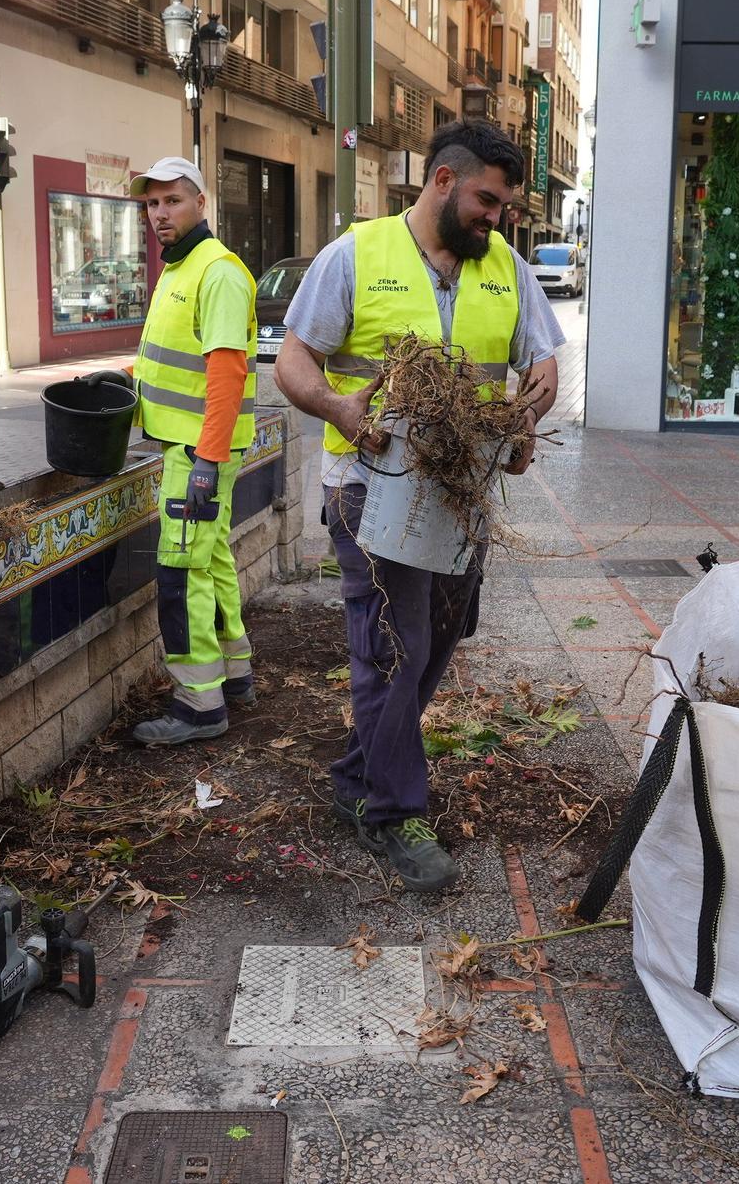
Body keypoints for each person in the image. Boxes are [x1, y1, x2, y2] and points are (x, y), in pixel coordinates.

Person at [275, 119, 566, 892]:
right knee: (392, 646)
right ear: (442, 180)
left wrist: (529, 411)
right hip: (371, 490)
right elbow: (294, 359)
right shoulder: (356, 256)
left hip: (459, 492)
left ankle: (355, 773)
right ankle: (394, 811)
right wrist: (336, 407)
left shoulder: (507, 267)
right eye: (485, 200)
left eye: (502, 206)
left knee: (437, 637)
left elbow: (541, 360)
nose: (494, 217)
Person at [123, 157, 261, 746]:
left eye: (172, 201)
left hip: (197, 454)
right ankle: (234, 676)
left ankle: (198, 706)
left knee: (179, 574)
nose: (160, 214)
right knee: (210, 561)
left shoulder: (217, 272)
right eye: (152, 204)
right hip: (186, 447)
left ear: (201, 203)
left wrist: (205, 462)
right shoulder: (177, 270)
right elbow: (167, 360)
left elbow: (226, 375)